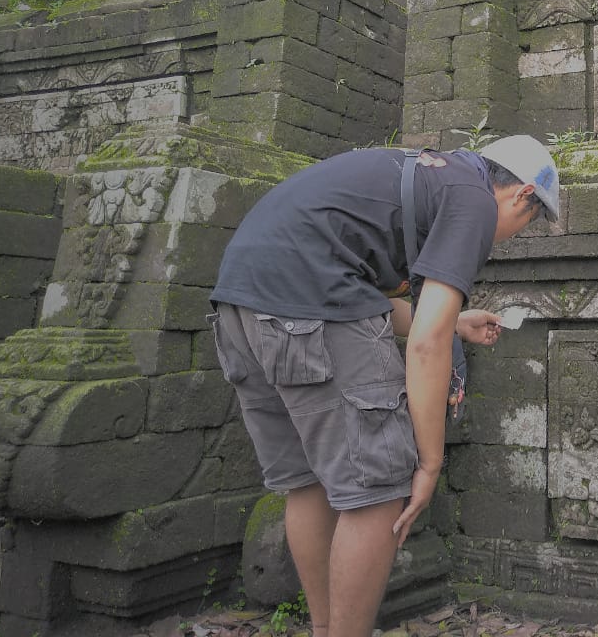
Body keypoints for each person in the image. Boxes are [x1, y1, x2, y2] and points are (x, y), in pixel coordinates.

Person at [208, 135, 559, 637]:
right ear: (522, 195)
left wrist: (455, 321)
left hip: (240, 305)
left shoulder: (427, 171)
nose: (509, 236)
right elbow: (424, 344)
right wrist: (429, 463)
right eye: (525, 225)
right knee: (379, 487)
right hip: (305, 300)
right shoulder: (474, 198)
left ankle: (327, 629)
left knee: (308, 481)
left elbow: (369, 295)